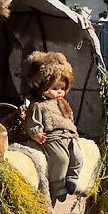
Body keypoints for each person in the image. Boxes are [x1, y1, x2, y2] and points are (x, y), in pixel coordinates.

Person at [22, 51, 84, 202]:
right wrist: (36, 133)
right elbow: (32, 121)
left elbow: (69, 118)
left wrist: (73, 131)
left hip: (69, 135)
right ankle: (58, 185)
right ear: (42, 86)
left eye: (62, 89)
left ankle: (72, 178)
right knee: (60, 159)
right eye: (55, 88)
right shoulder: (39, 106)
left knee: (78, 156)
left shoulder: (63, 104)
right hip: (53, 136)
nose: (59, 92)